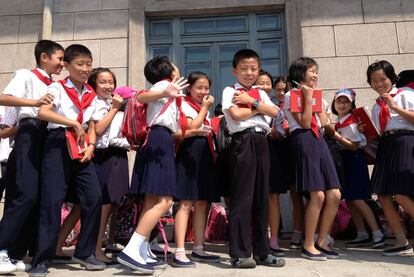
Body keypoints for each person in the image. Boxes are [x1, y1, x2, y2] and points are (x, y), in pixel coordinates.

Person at [29, 44, 105, 277]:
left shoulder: (92, 94)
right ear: (67, 66)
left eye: (89, 64)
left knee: (94, 196)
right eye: (80, 64)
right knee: (52, 202)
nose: (85, 69)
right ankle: (42, 258)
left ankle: (85, 252)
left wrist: (91, 145)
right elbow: (43, 113)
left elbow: (92, 125)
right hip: (58, 143)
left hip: (82, 146)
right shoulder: (57, 87)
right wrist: (71, 123)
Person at [116, 56, 190, 274]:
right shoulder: (165, 85)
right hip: (159, 140)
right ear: (168, 71)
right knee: (165, 200)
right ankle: (132, 249)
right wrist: (166, 91)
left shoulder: (168, 88)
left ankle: (143, 250)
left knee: (150, 200)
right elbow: (142, 97)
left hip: (156, 140)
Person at [0, 40, 64, 275]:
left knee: (36, 197)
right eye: (60, 58)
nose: (62, 63)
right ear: (44, 57)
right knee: (25, 194)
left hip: (46, 135)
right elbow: (4, 98)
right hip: (29, 130)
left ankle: (15, 253)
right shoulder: (26, 75)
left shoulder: (55, 84)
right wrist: (34, 103)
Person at [221, 49, 285, 268]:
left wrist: (251, 102)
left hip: (262, 142)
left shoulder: (259, 93)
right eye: (244, 68)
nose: (249, 73)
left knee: (261, 198)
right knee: (242, 198)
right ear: (234, 70)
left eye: (253, 68)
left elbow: (277, 113)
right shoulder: (230, 91)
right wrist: (259, 109)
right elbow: (236, 115)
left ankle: (262, 251)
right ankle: (239, 253)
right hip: (243, 142)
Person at [284, 57, 341, 260]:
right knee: (317, 195)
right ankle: (308, 244)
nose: (315, 75)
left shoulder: (320, 96)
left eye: (316, 71)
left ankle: (321, 241)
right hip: (303, 139)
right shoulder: (291, 95)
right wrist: (308, 100)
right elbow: (306, 123)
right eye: (311, 71)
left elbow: (327, 126)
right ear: (300, 74)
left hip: (320, 140)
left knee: (334, 194)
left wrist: (325, 114)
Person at [172, 71, 220, 267]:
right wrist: (205, 108)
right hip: (189, 154)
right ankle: (180, 250)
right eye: (198, 87)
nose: (203, 91)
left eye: (206, 88)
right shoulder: (184, 104)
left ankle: (199, 247)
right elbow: (193, 125)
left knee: (202, 203)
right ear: (189, 88)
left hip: (205, 156)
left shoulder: (201, 107)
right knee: (185, 202)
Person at [367, 60, 414, 256]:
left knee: (402, 193)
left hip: (405, 141)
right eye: (373, 81)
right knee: (383, 195)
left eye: (382, 79)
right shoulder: (377, 106)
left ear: (392, 78)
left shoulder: (406, 94)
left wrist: (394, 106)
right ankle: (401, 241)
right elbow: (380, 131)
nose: (379, 84)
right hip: (386, 146)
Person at [328, 88, 385, 248]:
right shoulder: (340, 121)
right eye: (339, 100)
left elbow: (353, 147)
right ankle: (362, 234)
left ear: (352, 104)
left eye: (346, 101)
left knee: (359, 199)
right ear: (334, 103)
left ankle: (377, 234)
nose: (342, 104)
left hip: (354, 159)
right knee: (351, 200)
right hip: (346, 161)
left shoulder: (352, 121)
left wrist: (335, 135)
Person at [255, 72, 287, 257]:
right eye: (261, 83)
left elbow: (282, 132)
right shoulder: (246, 103)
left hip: (271, 151)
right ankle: (258, 237)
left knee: (272, 196)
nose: (265, 87)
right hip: (253, 150)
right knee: (254, 196)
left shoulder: (275, 108)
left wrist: (276, 132)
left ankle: (273, 239)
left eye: (267, 84)